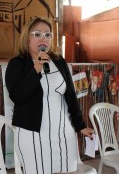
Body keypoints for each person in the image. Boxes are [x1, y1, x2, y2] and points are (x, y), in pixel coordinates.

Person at [5, 16, 94, 174]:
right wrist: (37, 69)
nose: (43, 39)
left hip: (64, 134)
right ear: (27, 37)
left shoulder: (59, 62)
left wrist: (81, 125)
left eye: (47, 35)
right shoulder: (16, 64)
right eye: (37, 34)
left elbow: (71, 98)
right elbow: (17, 96)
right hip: (33, 135)